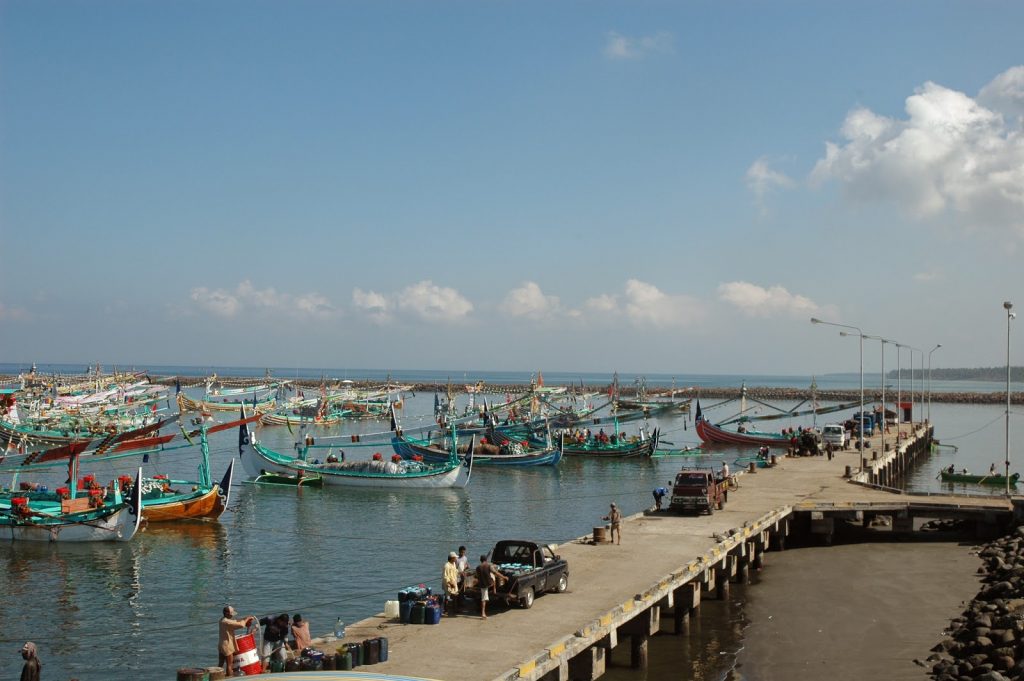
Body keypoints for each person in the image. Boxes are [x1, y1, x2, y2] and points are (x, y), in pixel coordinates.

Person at [219, 606, 256, 676]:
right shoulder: (227, 622)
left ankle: (216, 675)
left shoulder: (222, 620)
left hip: (221, 644)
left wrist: (244, 619)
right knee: (229, 664)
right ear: (226, 613)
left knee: (220, 663)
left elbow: (235, 621)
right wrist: (247, 619)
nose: (232, 615)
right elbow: (241, 625)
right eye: (231, 614)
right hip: (227, 645)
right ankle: (230, 677)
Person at [475, 554, 508, 619]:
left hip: (482, 584)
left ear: (480, 560)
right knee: (493, 576)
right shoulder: (489, 566)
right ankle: (483, 613)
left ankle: (493, 589)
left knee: (484, 598)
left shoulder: (477, 567)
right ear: (486, 560)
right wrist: (504, 577)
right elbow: (496, 573)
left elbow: (477, 575)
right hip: (489, 583)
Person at [443, 552, 460, 616]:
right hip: (448, 584)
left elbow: (455, 571)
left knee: (455, 596)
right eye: (455, 558)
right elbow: (445, 577)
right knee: (447, 597)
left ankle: (455, 609)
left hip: (454, 582)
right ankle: (446, 611)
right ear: (452, 558)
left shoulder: (454, 564)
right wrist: (450, 583)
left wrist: (461, 573)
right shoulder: (446, 565)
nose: (456, 559)